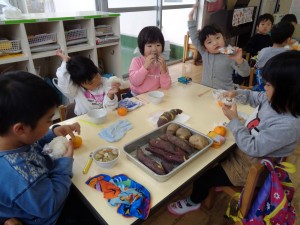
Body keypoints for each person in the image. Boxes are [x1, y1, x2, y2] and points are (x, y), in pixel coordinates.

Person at [167, 50, 300, 216]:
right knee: (205, 156)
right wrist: (237, 94)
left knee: (202, 176)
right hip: (242, 151)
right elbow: (255, 97)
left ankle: (193, 201)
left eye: (269, 84)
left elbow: (253, 148)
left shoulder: (287, 126)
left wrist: (234, 120)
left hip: (247, 166)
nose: (264, 87)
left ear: (287, 91)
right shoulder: (274, 100)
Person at [0, 71, 93, 224]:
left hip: (46, 190)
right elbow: (50, 204)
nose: (50, 123)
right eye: (48, 120)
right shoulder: (15, 175)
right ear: (20, 129)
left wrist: (53, 133)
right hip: (53, 215)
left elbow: (32, 143)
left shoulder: (12, 139)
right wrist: (64, 164)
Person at [188, 4, 250, 90]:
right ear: (205, 47)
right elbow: (194, 37)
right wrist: (190, 18)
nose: (215, 42)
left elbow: (245, 73)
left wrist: (240, 60)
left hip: (224, 94)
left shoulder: (231, 53)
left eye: (217, 37)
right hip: (205, 91)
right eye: (209, 42)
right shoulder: (205, 52)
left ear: (224, 38)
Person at [56, 50, 120, 115]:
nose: (97, 81)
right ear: (80, 84)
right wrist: (66, 62)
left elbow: (110, 109)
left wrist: (110, 95)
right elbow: (64, 82)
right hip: (84, 120)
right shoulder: (76, 89)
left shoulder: (105, 82)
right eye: (91, 83)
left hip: (103, 118)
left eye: (97, 75)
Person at [128, 26, 172, 97]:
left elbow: (166, 87)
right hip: (137, 96)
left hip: (154, 96)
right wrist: (145, 67)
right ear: (142, 47)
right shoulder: (136, 61)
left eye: (158, 45)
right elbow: (135, 82)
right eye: (149, 46)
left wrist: (164, 71)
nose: (154, 49)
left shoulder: (162, 63)